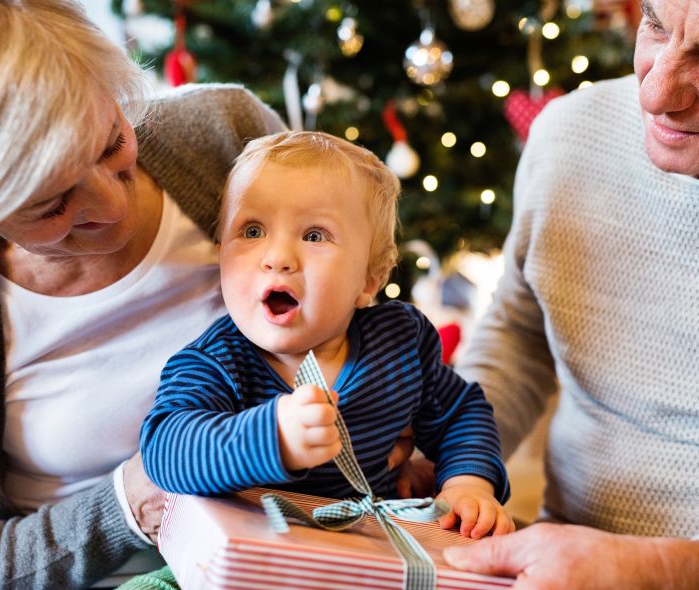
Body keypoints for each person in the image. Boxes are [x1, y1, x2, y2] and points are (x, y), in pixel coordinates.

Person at [0, 1, 287, 590]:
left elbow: (353, 302)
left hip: (303, 548)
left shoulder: (224, 135)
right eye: (50, 204)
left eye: (112, 146)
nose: (113, 209)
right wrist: (128, 502)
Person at [445, 0, 699, 590]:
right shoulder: (572, 134)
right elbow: (520, 329)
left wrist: (664, 575)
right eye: (657, 24)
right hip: (556, 566)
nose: (655, 92)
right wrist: (451, 455)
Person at [139, 130, 514, 540]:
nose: (278, 258)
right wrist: (273, 438)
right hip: (243, 557)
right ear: (220, 253)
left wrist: (468, 484)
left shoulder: (399, 342)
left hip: (367, 549)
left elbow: (461, 413)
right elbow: (165, 448)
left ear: (369, 281)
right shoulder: (214, 363)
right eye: (251, 231)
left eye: (314, 236)